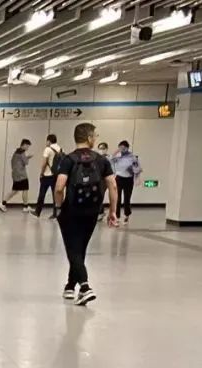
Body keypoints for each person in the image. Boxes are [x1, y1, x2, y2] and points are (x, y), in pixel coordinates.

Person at [54, 122, 119, 306]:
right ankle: (70, 285)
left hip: (71, 210)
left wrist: (58, 207)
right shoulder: (101, 160)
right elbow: (113, 186)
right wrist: (112, 211)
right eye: (95, 136)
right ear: (89, 138)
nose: (95, 139)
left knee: (73, 249)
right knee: (80, 248)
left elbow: (59, 187)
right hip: (92, 211)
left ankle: (84, 287)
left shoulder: (68, 159)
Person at [111, 140, 142, 224]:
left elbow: (138, 169)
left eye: (123, 148)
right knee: (117, 198)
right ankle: (116, 216)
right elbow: (110, 160)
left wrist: (137, 178)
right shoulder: (118, 156)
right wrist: (116, 152)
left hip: (128, 179)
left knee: (127, 198)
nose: (122, 149)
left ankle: (126, 215)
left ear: (127, 148)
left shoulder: (132, 157)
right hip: (119, 179)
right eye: (120, 148)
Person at [33, 134, 63, 219]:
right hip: (56, 175)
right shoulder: (59, 148)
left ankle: (37, 212)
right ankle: (55, 213)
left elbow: (44, 163)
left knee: (42, 193)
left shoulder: (48, 149)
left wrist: (41, 173)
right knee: (55, 194)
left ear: (49, 141)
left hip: (47, 175)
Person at [0, 138, 32, 212]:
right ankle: (25, 207)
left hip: (15, 174)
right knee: (25, 189)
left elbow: (14, 162)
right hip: (21, 175)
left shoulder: (16, 152)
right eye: (27, 146)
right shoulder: (22, 152)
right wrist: (28, 157)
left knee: (15, 190)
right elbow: (26, 162)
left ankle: (3, 203)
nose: (28, 148)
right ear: (24, 145)